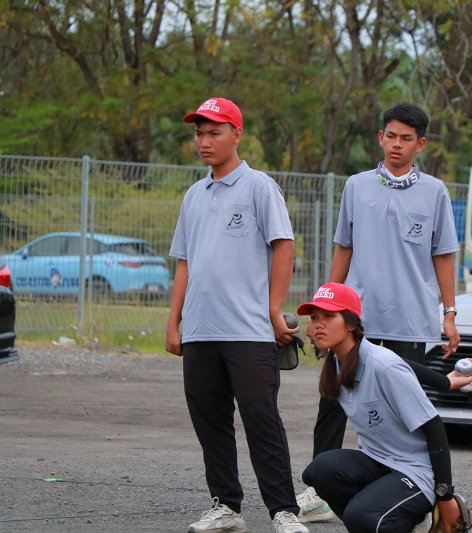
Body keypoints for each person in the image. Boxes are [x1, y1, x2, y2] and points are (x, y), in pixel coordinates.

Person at [297, 103, 463, 523]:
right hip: (354, 318)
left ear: (420, 144)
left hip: (409, 318)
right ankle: (316, 495)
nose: (396, 144)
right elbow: (344, 248)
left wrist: (450, 312)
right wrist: (325, 305)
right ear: (380, 137)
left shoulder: (435, 192)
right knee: (332, 404)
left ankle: (415, 491)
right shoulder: (356, 186)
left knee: (408, 407)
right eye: (391, 135)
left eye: (406, 138)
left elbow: (443, 255)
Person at [166, 96, 308, 533]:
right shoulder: (194, 194)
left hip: (248, 329)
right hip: (201, 329)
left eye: (214, 132)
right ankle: (226, 507)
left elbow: (283, 245)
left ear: (237, 134)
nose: (204, 142)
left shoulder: (259, 186)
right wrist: (174, 322)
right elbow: (184, 262)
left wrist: (273, 310)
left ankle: (284, 511)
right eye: (199, 133)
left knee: (261, 418)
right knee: (210, 422)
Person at [298, 283, 472, 533]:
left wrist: (445, 495)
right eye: (314, 318)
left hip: (415, 471)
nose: (318, 324)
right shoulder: (338, 361)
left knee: (361, 515)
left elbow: (434, 427)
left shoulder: (383, 366)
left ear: (350, 323)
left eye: (329, 316)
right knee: (320, 471)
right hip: (378, 460)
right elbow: (404, 364)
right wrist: (444, 381)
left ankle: (409, 514)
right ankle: (404, 521)